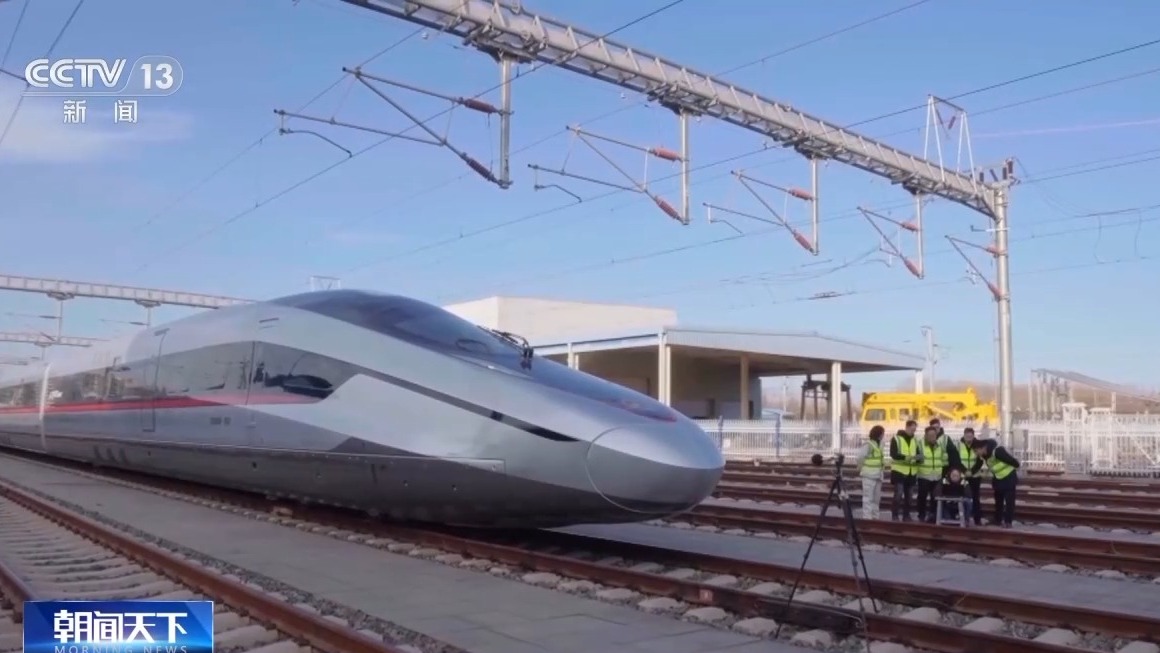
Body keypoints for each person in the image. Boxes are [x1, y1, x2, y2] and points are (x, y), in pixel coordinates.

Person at [970, 437, 1022, 528]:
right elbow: (978, 465)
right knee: (998, 501)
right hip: (998, 478)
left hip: (1009, 477)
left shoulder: (997, 451)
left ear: (982, 448)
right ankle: (998, 519)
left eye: (976, 451)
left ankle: (1008, 522)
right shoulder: (984, 456)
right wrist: (970, 472)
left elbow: (1013, 461)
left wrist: (1016, 467)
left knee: (1009, 501)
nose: (976, 453)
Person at [888, 420, 919, 521]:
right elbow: (893, 454)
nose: (913, 432)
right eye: (912, 429)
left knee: (909, 497)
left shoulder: (915, 440)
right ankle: (895, 515)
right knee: (898, 494)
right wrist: (906, 457)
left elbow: (917, 453)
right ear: (907, 427)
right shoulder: (896, 439)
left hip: (911, 472)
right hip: (899, 472)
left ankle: (906, 515)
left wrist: (919, 458)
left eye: (914, 430)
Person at [854, 425, 886, 519]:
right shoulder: (868, 445)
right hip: (869, 475)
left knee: (876, 498)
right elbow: (860, 457)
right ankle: (867, 518)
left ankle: (875, 517)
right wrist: (860, 468)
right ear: (879, 434)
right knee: (868, 498)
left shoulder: (880, 444)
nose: (883, 435)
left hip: (878, 475)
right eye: (882, 433)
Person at [915, 426, 945, 523]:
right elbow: (915, 458)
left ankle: (933, 515)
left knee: (935, 497)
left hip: (937, 476)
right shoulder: (920, 444)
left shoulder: (940, 445)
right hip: (924, 475)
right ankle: (921, 515)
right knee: (922, 497)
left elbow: (943, 459)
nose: (932, 437)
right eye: (930, 435)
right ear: (926, 436)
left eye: (934, 435)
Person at [956, 427, 984, 525]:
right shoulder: (959, 445)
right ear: (964, 436)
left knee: (975, 498)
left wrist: (971, 471)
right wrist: (964, 471)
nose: (969, 438)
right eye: (967, 436)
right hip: (963, 476)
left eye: (970, 436)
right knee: (961, 497)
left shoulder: (978, 445)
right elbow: (957, 460)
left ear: (973, 436)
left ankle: (977, 519)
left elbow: (980, 461)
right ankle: (963, 517)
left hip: (975, 476)